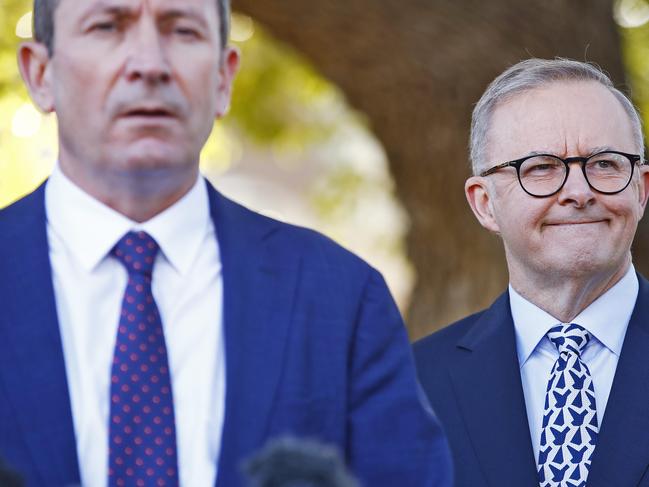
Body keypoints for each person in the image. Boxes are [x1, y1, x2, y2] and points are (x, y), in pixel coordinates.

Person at [0, 0, 452, 486]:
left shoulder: (340, 297)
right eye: (108, 27)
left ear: (223, 79)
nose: (150, 65)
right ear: (40, 73)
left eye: (183, 31)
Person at [414, 58, 649, 487]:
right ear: (485, 203)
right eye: (540, 167)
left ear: (641, 188)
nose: (579, 192)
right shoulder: (414, 386)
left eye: (605, 163)